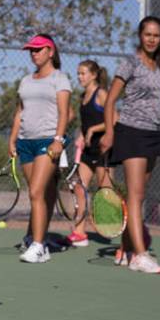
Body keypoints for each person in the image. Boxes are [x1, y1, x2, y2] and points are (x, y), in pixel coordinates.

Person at [99, 16, 160, 274]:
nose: (151, 39)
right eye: (147, 34)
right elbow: (110, 101)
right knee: (136, 195)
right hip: (131, 133)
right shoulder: (130, 63)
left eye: (156, 35)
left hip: (153, 134)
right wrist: (109, 132)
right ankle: (140, 255)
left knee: (137, 197)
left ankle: (124, 249)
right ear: (140, 36)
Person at [8, 34, 71, 264]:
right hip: (26, 143)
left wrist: (58, 140)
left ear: (50, 51)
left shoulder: (60, 78)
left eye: (38, 49)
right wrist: (12, 139)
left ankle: (39, 246)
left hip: (47, 142)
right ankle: (36, 237)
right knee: (38, 194)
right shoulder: (26, 80)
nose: (34, 53)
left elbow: (65, 113)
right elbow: (20, 112)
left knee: (36, 192)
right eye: (31, 50)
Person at [68, 60, 112, 247]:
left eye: (83, 73)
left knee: (106, 192)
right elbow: (85, 123)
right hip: (87, 150)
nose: (80, 77)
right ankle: (79, 233)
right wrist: (81, 134)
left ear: (94, 75)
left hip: (103, 149)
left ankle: (119, 230)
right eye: (78, 73)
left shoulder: (101, 94)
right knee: (79, 187)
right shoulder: (82, 96)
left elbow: (114, 120)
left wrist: (94, 130)